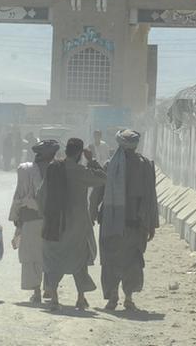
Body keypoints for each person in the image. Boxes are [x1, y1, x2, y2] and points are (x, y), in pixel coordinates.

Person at [90, 129, 159, 311]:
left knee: (110, 260)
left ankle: (113, 297)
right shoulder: (144, 166)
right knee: (132, 260)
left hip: (111, 224)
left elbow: (97, 193)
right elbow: (151, 197)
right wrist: (151, 224)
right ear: (136, 145)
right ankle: (128, 298)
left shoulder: (110, 165)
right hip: (135, 226)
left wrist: (91, 215)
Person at [38, 138, 107, 311]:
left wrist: (46, 215)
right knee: (79, 261)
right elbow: (103, 178)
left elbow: (41, 195)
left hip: (54, 224)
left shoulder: (53, 169)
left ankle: (54, 298)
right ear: (79, 153)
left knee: (53, 260)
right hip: (77, 226)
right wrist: (92, 160)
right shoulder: (80, 171)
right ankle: (80, 298)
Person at [9, 139, 58, 303]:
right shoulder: (57, 169)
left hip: (30, 218)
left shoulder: (24, 169)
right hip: (51, 219)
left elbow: (18, 195)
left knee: (31, 256)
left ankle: (36, 292)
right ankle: (49, 289)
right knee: (49, 255)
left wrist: (16, 218)